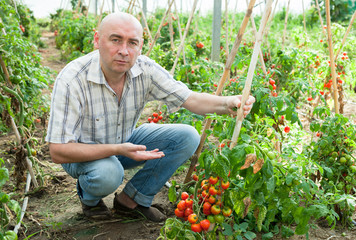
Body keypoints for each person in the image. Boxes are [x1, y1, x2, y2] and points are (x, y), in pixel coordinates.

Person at [45, 12, 255, 222]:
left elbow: (190, 99)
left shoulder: (145, 69)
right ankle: (90, 200)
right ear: (97, 40)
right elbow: (58, 151)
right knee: (109, 172)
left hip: (124, 141)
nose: (124, 51)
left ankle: (131, 200)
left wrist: (228, 103)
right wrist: (117, 149)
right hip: (81, 155)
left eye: (132, 43)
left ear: (140, 46)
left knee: (187, 137)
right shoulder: (73, 79)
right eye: (115, 40)